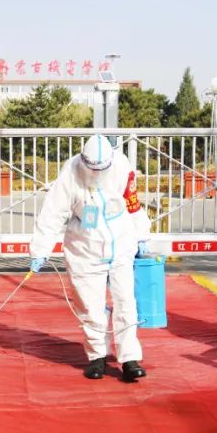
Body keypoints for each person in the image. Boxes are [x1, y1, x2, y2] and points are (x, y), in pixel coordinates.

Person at [29, 134, 151, 382]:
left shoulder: (121, 166)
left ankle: (129, 358)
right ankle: (97, 356)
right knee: (89, 304)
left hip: (120, 237)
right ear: (83, 161)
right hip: (84, 243)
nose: (96, 173)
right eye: (91, 168)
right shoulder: (70, 172)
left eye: (100, 169)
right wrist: (40, 249)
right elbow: (52, 212)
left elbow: (132, 203)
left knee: (125, 301)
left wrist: (141, 233)